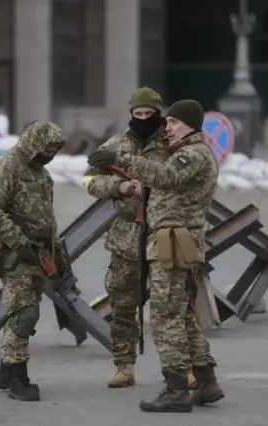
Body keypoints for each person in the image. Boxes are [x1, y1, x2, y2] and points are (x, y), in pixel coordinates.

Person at [88, 99, 225, 413]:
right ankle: (205, 380)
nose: (168, 127)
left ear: (191, 124)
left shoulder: (192, 153)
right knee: (181, 316)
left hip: (172, 243)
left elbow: (163, 176)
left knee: (165, 318)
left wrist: (119, 158)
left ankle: (176, 388)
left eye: (174, 122)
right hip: (173, 242)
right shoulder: (188, 152)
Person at [83, 87, 168, 388]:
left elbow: (183, 177)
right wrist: (118, 188)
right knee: (122, 304)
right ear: (131, 113)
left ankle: (180, 368)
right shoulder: (115, 144)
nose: (143, 118)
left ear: (158, 113)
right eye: (138, 113)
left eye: (149, 114)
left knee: (170, 305)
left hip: (163, 232)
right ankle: (124, 365)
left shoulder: (171, 143)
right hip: (126, 234)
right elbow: (90, 178)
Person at [0, 121, 67, 402]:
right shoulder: (5, 167)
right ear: (34, 142)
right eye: (47, 148)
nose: (50, 154)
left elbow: (45, 219)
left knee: (25, 311)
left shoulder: (40, 172)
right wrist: (21, 244)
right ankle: (18, 377)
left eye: (55, 150)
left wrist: (57, 253)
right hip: (16, 255)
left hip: (39, 254)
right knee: (24, 314)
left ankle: (6, 370)